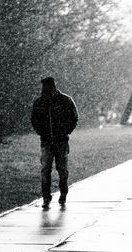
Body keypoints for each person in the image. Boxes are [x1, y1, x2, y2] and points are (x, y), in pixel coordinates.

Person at [31, 77, 78, 208]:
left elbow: (74, 118)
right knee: (47, 170)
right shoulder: (41, 102)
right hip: (47, 141)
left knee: (60, 169)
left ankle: (62, 194)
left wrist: (65, 131)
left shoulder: (64, 101)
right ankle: (47, 197)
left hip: (60, 141)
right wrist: (42, 132)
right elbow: (34, 120)